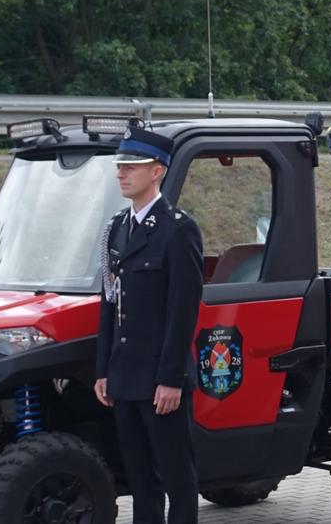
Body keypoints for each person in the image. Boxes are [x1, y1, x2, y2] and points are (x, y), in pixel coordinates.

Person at [94, 125, 205, 524]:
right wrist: (104, 368)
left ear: (156, 171)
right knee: (140, 479)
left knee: (176, 476)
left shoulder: (177, 229)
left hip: (161, 377)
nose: (121, 173)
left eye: (131, 166)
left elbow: (183, 310)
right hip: (125, 376)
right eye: (120, 166)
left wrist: (172, 378)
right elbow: (110, 302)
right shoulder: (117, 229)